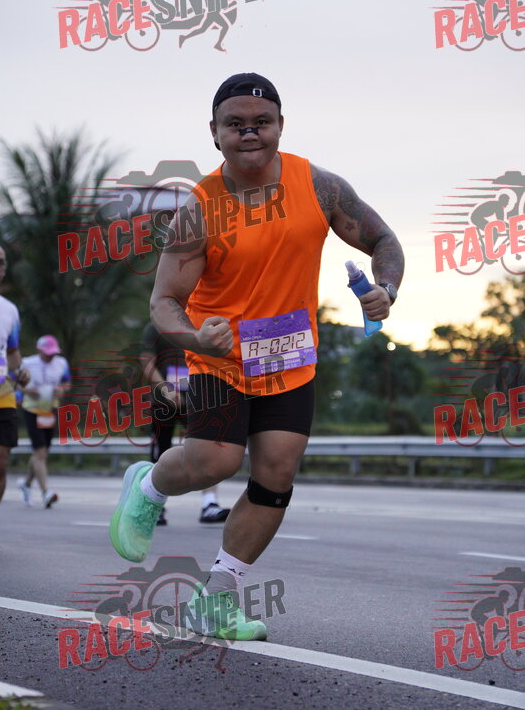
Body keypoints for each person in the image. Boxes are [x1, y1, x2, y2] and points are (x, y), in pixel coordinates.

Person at [110, 73, 404, 640]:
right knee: (215, 463)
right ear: (214, 133)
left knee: (276, 475)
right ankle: (148, 485)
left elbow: (383, 241)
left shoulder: (318, 186)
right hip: (221, 359)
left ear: (280, 126)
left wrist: (386, 289)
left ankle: (217, 598)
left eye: (261, 122)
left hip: (290, 359)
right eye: (236, 124)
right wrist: (196, 339)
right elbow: (164, 301)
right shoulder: (198, 210)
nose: (250, 133)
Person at [139, 321, 230, 525]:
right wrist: (166, 389)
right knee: (160, 452)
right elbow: (146, 363)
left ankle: (209, 504)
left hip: (197, 398)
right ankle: (155, 506)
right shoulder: (157, 326)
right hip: (164, 400)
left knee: (207, 449)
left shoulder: (200, 322)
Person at [0, 244, 30, 551]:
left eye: (0, 262)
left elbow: (12, 351)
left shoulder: (9, 310)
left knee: (0, 461)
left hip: (2, 392)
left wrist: (21, 370)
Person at [17, 336, 71, 508]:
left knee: (41, 453)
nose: (50, 356)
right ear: (39, 350)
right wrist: (27, 390)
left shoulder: (61, 363)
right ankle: (46, 492)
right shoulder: (27, 363)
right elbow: (16, 384)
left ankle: (26, 484)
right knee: (40, 453)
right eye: (48, 353)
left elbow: (67, 383)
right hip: (32, 410)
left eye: (53, 353)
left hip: (49, 411)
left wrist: (61, 389)